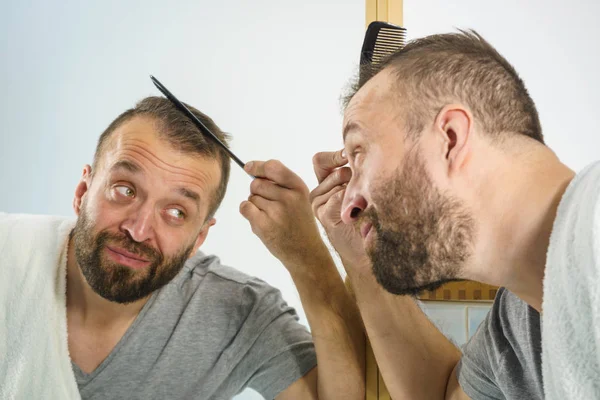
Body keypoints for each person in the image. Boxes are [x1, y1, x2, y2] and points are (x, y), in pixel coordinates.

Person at [245, 30, 597, 400]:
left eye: (360, 152)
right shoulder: (514, 330)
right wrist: (359, 256)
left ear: (450, 137)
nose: (349, 207)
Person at [0, 96, 364, 399]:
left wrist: (307, 257)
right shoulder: (9, 254)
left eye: (176, 212)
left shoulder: (239, 314)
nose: (139, 229)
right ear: (82, 193)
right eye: (125, 190)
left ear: (199, 239)